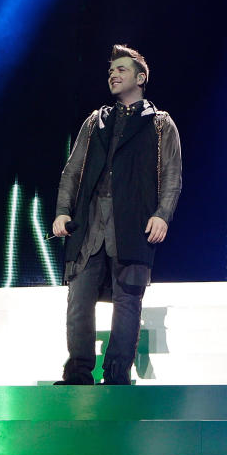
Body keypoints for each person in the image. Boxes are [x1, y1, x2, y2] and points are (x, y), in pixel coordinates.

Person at [52, 45, 182, 385]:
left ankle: (117, 372)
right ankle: (78, 371)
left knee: (128, 300)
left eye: (122, 69)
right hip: (90, 219)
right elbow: (72, 170)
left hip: (133, 221)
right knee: (79, 297)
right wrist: (63, 211)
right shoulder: (96, 120)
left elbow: (172, 174)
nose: (114, 74)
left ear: (140, 78)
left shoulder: (159, 123)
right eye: (111, 69)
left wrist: (163, 214)